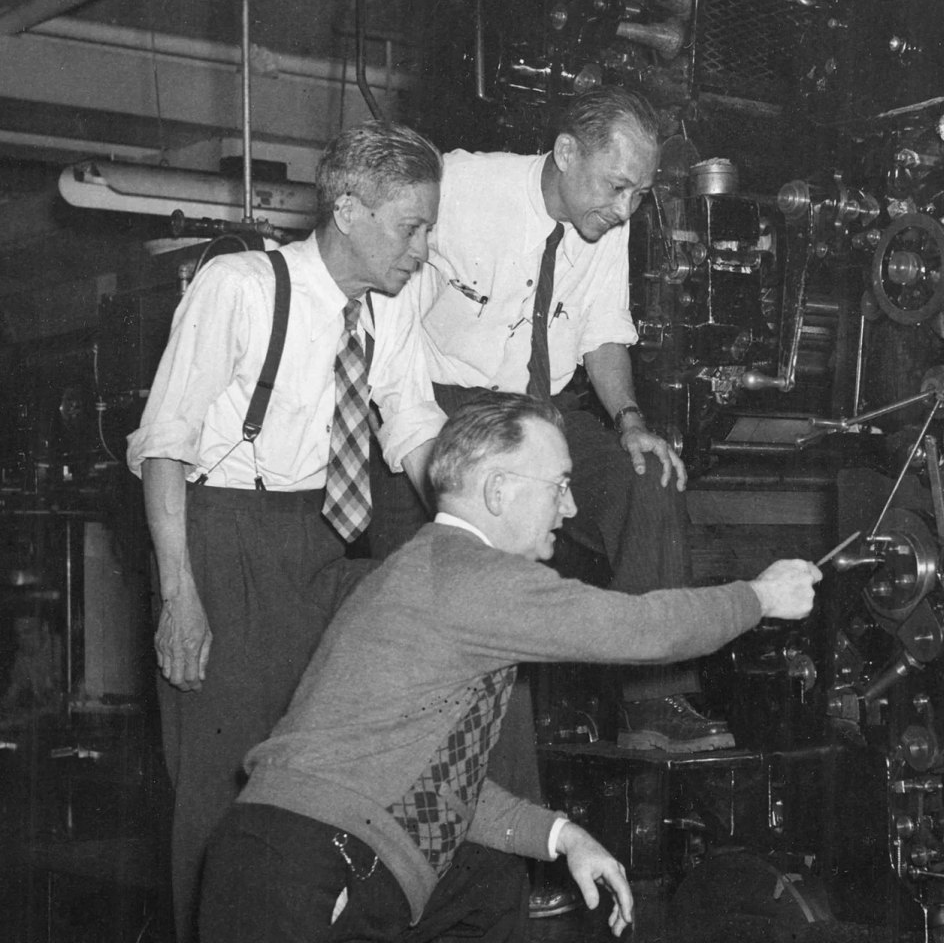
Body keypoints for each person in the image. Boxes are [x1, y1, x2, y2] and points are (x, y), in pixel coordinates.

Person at [197, 392, 820, 942]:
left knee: (489, 883)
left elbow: (443, 788)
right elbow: (642, 627)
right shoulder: (467, 574)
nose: (571, 509)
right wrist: (759, 598)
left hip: (306, 854)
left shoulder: (435, 571)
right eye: (560, 485)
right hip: (307, 868)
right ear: (498, 491)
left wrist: (562, 837)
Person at [126, 121, 447, 942]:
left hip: (326, 541)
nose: (424, 248)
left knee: (315, 784)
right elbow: (164, 446)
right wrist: (178, 598)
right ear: (348, 209)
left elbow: (413, 432)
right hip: (221, 536)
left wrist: (474, 512)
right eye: (411, 226)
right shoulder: (239, 285)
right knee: (217, 792)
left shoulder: (394, 309)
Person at [378, 84, 724, 754]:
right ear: (566, 152)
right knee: (429, 581)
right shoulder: (459, 187)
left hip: (544, 409)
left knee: (648, 481)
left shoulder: (603, 223)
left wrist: (628, 420)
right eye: (617, 186)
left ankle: (652, 701)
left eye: (639, 194)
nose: (626, 210)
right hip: (450, 402)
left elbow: (602, 333)